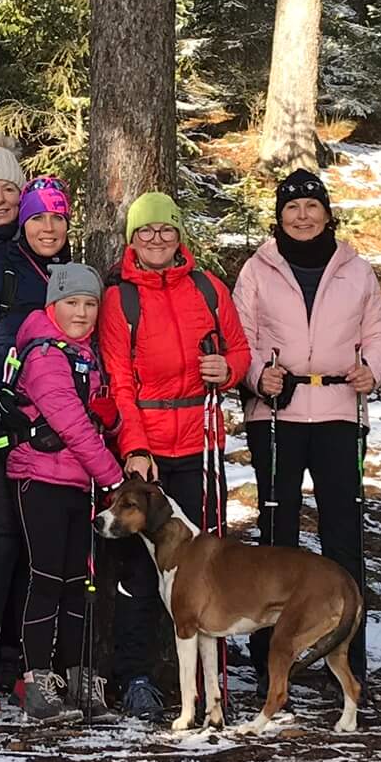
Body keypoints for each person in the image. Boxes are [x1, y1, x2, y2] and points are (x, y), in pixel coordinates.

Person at [233, 169, 381, 688]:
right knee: (276, 541)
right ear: (279, 216)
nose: (302, 216)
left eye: (311, 206)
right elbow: (244, 335)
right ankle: (270, 661)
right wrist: (259, 374)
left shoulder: (356, 269)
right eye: (292, 207)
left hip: (339, 408)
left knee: (343, 538)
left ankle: (348, 659)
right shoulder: (258, 269)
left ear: (327, 212)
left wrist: (374, 366)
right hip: (276, 412)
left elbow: (377, 329)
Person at [101, 192, 251, 720]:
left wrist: (227, 371)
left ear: (179, 236)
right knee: (142, 572)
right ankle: (138, 675)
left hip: (201, 444)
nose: (157, 240)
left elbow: (239, 350)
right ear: (132, 240)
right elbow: (119, 379)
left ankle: (213, 684)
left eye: (166, 231)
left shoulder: (208, 288)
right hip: (149, 452)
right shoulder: (121, 300)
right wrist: (135, 447)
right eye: (146, 232)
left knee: (207, 565)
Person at [0, 176, 74, 715]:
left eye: (57, 217)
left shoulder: (71, 278)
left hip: (47, 430)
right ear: (23, 223)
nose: (48, 228)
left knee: (33, 542)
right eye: (37, 218)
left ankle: (20, 664)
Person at [4, 263, 126, 725]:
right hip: (42, 478)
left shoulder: (85, 354)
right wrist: (114, 480)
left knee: (80, 583)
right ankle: (38, 682)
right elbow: (71, 425)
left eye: (90, 304)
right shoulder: (44, 354)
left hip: (79, 482)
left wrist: (111, 420)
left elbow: (94, 421)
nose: (81, 312)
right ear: (52, 305)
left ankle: (79, 678)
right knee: (46, 578)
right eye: (72, 303)